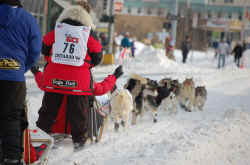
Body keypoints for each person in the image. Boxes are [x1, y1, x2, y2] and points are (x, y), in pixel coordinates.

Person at [33, 3, 123, 151]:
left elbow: (44, 47)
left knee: (47, 112)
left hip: (53, 79)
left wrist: (53, 61)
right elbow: (98, 55)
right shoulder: (88, 33)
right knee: (78, 115)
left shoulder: (58, 30)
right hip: (79, 83)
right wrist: (84, 66)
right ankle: (79, 144)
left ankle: (38, 141)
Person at [0, 0, 42, 164]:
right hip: (14, 79)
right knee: (12, 118)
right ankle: (12, 158)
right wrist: (19, 68)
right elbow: (35, 50)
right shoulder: (28, 19)